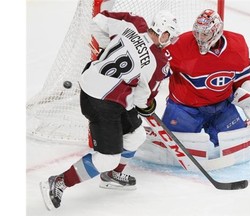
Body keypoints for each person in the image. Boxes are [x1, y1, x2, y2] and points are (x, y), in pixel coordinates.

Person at [39, 10, 180, 210]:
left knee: (136, 135)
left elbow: (98, 20)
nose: (171, 41)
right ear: (164, 33)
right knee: (107, 158)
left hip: (94, 82)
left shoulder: (134, 24)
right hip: (102, 103)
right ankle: (59, 182)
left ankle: (112, 175)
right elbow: (143, 100)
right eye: (170, 37)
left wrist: (106, 49)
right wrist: (149, 107)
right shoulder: (158, 62)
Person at [162, 9, 250, 148]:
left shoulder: (237, 45)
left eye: (205, 33)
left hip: (221, 107)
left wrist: (248, 98)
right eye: (197, 32)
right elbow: (157, 69)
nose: (200, 37)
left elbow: (242, 77)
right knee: (173, 147)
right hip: (184, 109)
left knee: (236, 145)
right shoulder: (180, 45)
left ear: (217, 31)